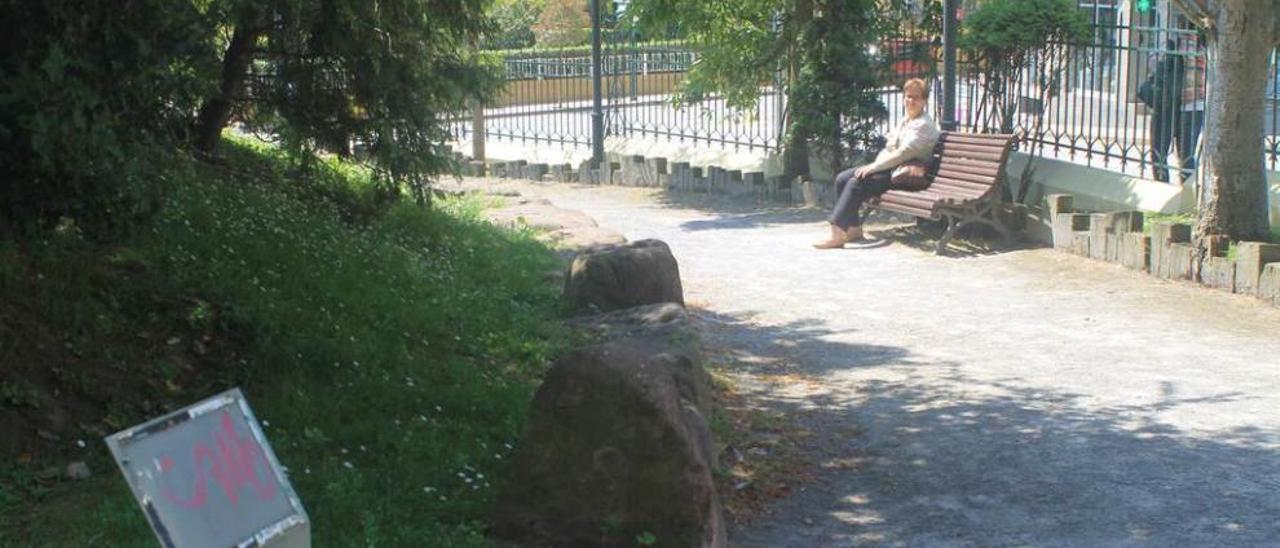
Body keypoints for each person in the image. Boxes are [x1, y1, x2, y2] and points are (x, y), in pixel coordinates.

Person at [814, 78, 940, 249]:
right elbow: (890, 148)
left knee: (856, 183)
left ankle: (837, 232)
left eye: (915, 98)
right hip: (891, 169)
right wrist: (874, 166)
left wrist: (873, 167)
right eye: (907, 96)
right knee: (842, 178)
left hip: (905, 176)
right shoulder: (906, 120)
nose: (910, 101)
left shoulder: (924, 125)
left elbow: (902, 154)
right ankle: (854, 229)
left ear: (924, 101)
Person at [1144, 40, 1184, 183]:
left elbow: (1154, 72)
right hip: (1186, 107)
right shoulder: (1196, 50)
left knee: (1158, 153)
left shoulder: (1169, 58)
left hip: (1166, 109)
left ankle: (1162, 183)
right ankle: (1186, 189)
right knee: (1185, 157)